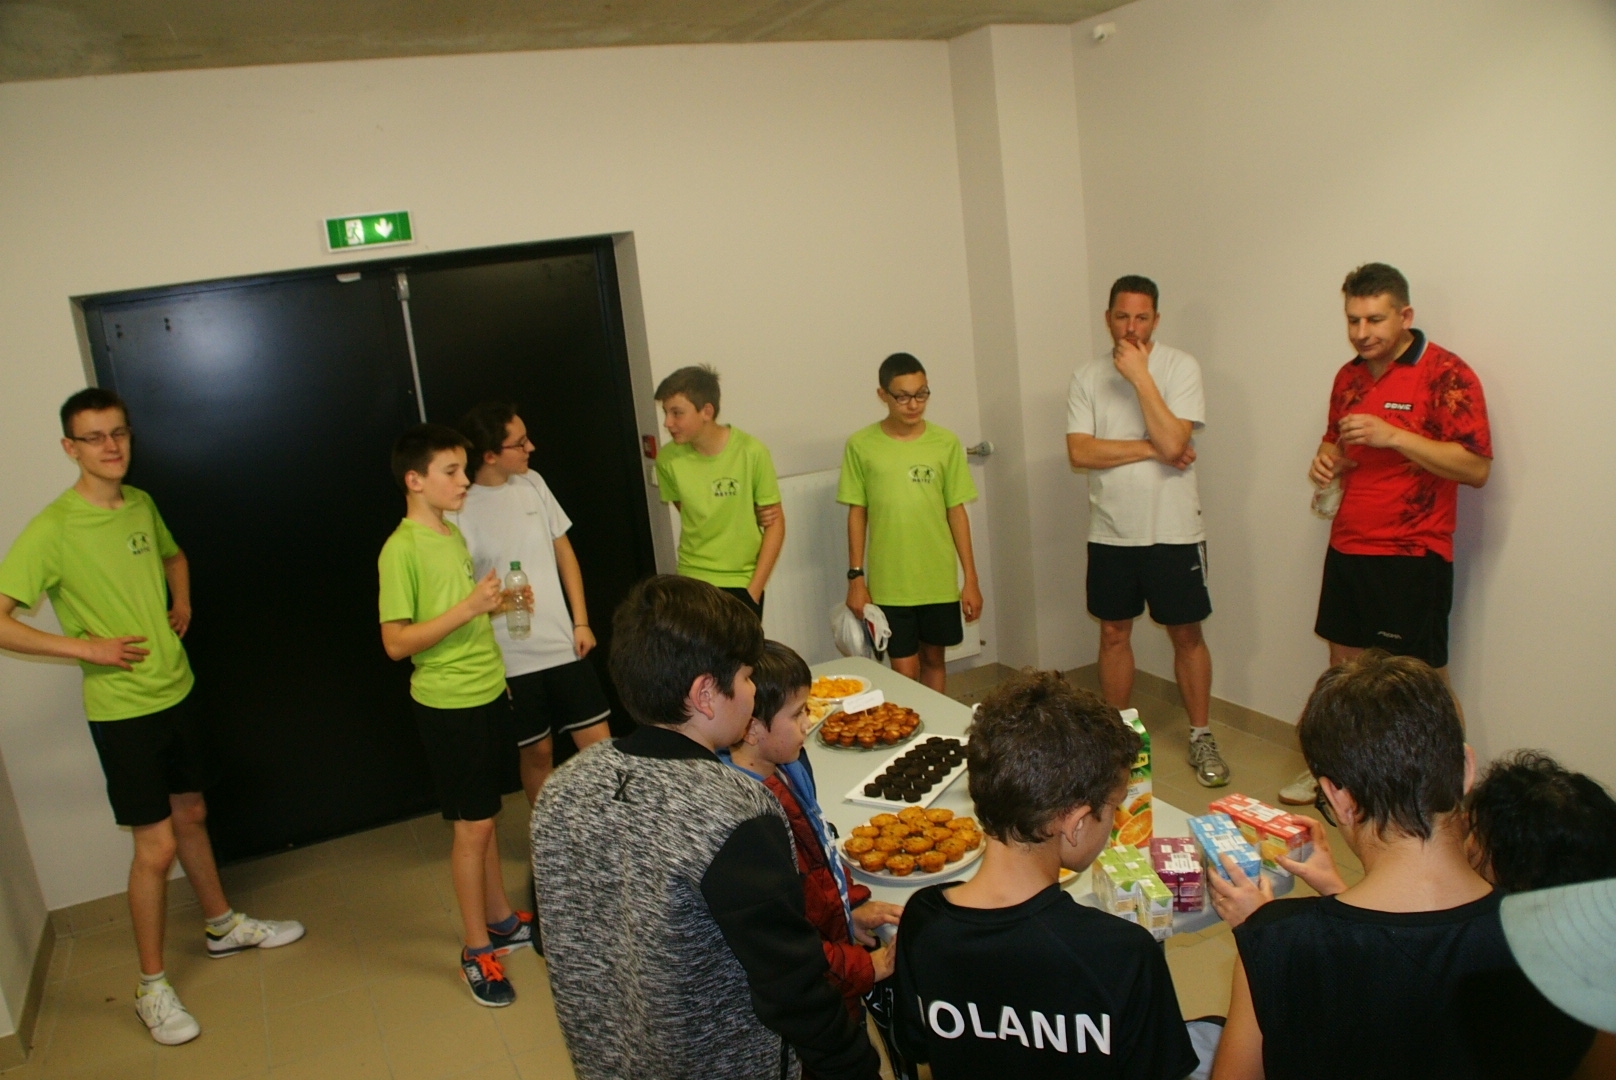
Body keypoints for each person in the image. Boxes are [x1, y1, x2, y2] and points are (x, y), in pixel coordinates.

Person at [0, 388, 304, 1046]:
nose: (110, 446)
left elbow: (174, 556)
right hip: (123, 711)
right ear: (70, 448)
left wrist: (181, 603)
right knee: (156, 847)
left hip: (177, 690)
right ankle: (150, 986)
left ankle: (222, 926)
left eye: (118, 433)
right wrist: (87, 649)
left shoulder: (139, 503)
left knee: (192, 813)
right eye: (94, 437)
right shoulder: (53, 528)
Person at [530, 576, 880, 1080]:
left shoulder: (563, 788)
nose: (754, 691)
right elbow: (792, 987)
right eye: (747, 677)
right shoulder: (736, 812)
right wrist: (856, 1066)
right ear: (706, 695)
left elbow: (554, 937)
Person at [1210, 652, 1593, 1080]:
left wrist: (1268, 935)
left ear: (1339, 798)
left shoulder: (1279, 944)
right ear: (1466, 769)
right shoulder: (1561, 943)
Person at [894, 669, 1198, 1080]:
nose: (1117, 818)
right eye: (1114, 806)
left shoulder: (922, 920)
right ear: (1076, 823)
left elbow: (916, 1045)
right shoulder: (1122, 953)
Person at [1283, 263, 1492, 805]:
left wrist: (1393, 435)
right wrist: (1326, 461)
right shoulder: (1348, 377)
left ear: (1405, 315)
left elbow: (1475, 467)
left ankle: (1449, 791)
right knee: (1343, 675)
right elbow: (1335, 442)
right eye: (1353, 320)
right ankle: (1337, 774)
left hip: (1413, 552)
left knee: (1422, 685)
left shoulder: (1446, 373)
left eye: (1374, 319)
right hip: (1349, 543)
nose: (1361, 332)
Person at [378, 424, 532, 1008]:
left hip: (485, 690)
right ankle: (475, 950)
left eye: (464, 469)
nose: (464, 480)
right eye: (451, 471)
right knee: (471, 829)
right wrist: (471, 607)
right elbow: (397, 642)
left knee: (487, 817)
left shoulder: (451, 532)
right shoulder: (401, 549)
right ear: (415, 480)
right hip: (449, 705)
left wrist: (494, 607)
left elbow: (460, 619)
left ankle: (499, 920)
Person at [1067, 275, 1227, 788]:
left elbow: (1177, 438)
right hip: (1111, 530)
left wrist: (1140, 377)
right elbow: (1081, 451)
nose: (1131, 327)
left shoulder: (1180, 367)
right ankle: (1117, 738)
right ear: (1107, 318)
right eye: (1122, 316)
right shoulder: (1087, 375)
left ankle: (1201, 733)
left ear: (1156, 319)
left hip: (1174, 529)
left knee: (1187, 634)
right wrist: (1153, 448)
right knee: (1113, 633)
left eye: (1141, 317)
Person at [722, 640, 904, 1023]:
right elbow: (790, 947)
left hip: (835, 956)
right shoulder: (754, 819)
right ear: (752, 728)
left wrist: (850, 907)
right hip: (818, 994)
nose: (809, 722)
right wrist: (866, 967)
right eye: (798, 714)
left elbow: (821, 853)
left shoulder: (788, 766)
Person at [453, 402, 612, 811]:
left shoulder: (533, 484)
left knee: (600, 747)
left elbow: (565, 553)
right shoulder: (460, 507)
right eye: (520, 443)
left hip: (562, 643)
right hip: (510, 656)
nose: (531, 448)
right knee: (538, 753)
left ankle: (612, 831)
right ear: (490, 455)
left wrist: (581, 622)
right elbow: (461, 595)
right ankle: (547, 834)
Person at [840, 352, 982, 692]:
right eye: (903, 396)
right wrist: (856, 577)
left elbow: (956, 512)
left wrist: (971, 579)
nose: (914, 404)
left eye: (921, 394)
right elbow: (857, 512)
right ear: (883, 395)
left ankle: (933, 724)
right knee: (904, 671)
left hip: (937, 579)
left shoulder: (946, 443)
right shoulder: (861, 445)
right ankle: (910, 724)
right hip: (891, 582)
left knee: (934, 660)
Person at [654, 364, 784, 619]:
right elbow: (688, 511)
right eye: (665, 413)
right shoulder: (667, 460)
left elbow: (776, 525)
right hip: (692, 578)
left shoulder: (752, 452)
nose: (668, 423)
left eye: (677, 413)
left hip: (741, 581)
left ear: (707, 411)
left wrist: (754, 590)